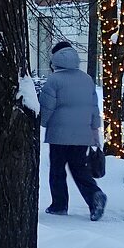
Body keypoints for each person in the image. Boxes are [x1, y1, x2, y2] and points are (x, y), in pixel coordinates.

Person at [39, 41, 107, 221]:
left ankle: (59, 205)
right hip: (82, 134)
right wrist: (94, 130)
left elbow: (47, 107)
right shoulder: (86, 79)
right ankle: (95, 195)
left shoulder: (54, 80)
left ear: (55, 58)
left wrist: (42, 122)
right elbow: (94, 107)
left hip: (59, 134)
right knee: (79, 168)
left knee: (57, 170)